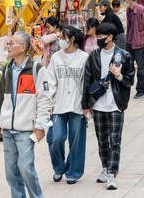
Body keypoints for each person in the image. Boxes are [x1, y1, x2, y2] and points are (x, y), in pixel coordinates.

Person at [0, 32, 50, 198]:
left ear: (23, 47)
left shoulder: (36, 69)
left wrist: (40, 125)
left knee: (26, 169)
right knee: (11, 173)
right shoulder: (6, 69)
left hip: (26, 130)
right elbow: (1, 98)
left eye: (12, 43)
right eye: (8, 43)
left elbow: (44, 100)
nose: (8, 46)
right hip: (8, 130)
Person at [81, 23, 135, 190]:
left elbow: (130, 80)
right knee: (102, 140)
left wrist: (118, 76)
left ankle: (112, 173)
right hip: (98, 105)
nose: (98, 40)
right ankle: (105, 167)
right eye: (97, 37)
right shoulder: (94, 56)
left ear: (110, 37)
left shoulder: (124, 56)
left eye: (100, 37)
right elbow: (87, 81)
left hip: (116, 104)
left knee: (115, 141)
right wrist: (85, 105)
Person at [47, 26, 89, 185]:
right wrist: (48, 102)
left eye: (63, 37)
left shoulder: (84, 57)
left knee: (76, 140)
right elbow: (51, 81)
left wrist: (87, 105)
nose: (60, 40)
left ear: (71, 39)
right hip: (58, 104)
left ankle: (74, 171)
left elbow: (87, 82)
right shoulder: (56, 58)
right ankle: (59, 167)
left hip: (77, 105)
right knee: (55, 138)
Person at [121, 0, 144, 99]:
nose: (124, 2)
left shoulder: (141, 9)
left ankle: (141, 90)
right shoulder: (128, 10)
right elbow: (129, 25)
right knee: (128, 66)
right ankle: (127, 86)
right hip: (130, 41)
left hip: (139, 42)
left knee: (141, 67)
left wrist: (142, 36)